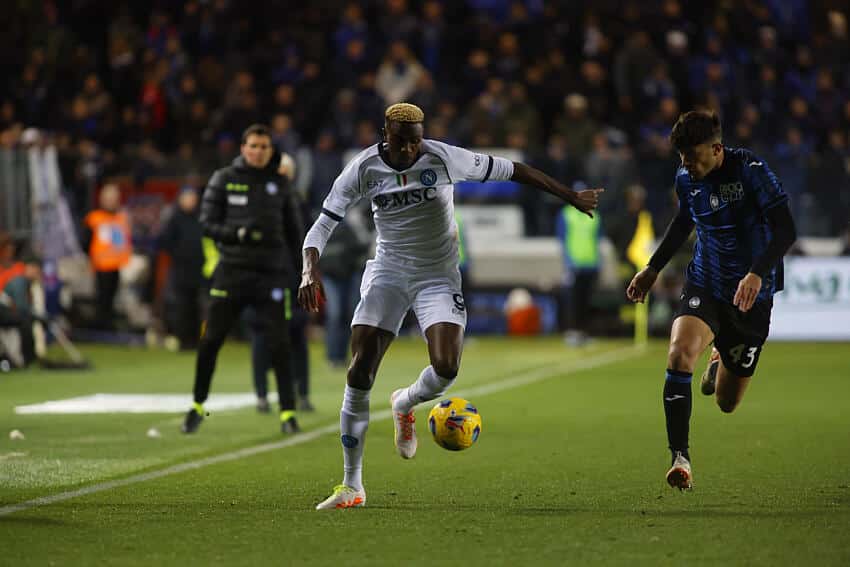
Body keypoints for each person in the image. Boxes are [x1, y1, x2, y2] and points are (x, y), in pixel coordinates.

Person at [299, 103, 602, 510]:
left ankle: (405, 402)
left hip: (437, 276)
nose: (411, 149)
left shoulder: (443, 157)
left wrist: (570, 196)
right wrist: (309, 270)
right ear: (385, 135)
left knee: (446, 368)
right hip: (388, 272)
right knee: (359, 371)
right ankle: (352, 485)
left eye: (416, 140)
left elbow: (515, 170)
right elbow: (323, 224)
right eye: (402, 142)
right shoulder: (363, 168)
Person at [626, 110, 797, 490]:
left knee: (726, 403)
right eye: (682, 157)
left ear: (717, 149)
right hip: (706, 283)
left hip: (751, 295)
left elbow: (786, 229)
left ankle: (720, 357)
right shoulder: (685, 177)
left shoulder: (750, 170)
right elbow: (683, 222)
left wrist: (757, 272)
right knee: (679, 354)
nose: (686, 164)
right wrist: (653, 268)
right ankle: (680, 458)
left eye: (693, 156)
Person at [181, 124, 304, 435]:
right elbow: (206, 223)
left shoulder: (281, 184)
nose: (258, 152)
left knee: (280, 344)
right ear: (243, 148)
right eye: (253, 146)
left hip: (270, 275)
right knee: (210, 341)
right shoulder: (224, 179)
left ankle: (288, 413)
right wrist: (235, 234)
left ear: (271, 151)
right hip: (232, 272)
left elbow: (296, 234)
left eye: (264, 147)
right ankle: (197, 405)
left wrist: (303, 273)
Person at [158, 187, 204, 351]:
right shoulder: (175, 219)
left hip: (198, 270)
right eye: (187, 197)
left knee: (196, 306)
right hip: (181, 270)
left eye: (192, 197)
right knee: (182, 306)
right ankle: (183, 340)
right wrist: (178, 254)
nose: (190, 201)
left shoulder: (200, 218)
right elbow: (165, 242)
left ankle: (196, 340)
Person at [82, 183, 132, 330]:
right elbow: (85, 241)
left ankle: (109, 325)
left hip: (117, 266)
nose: (111, 202)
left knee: (112, 299)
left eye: (113, 198)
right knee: (101, 298)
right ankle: (100, 326)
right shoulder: (94, 218)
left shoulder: (121, 217)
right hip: (100, 266)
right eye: (108, 198)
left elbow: (125, 241)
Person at [556, 195, 602, 346]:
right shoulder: (566, 214)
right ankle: (572, 332)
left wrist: (599, 263)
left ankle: (584, 333)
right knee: (573, 300)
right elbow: (562, 239)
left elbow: (597, 240)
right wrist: (568, 262)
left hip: (590, 264)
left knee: (586, 301)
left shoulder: (595, 215)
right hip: (574, 266)